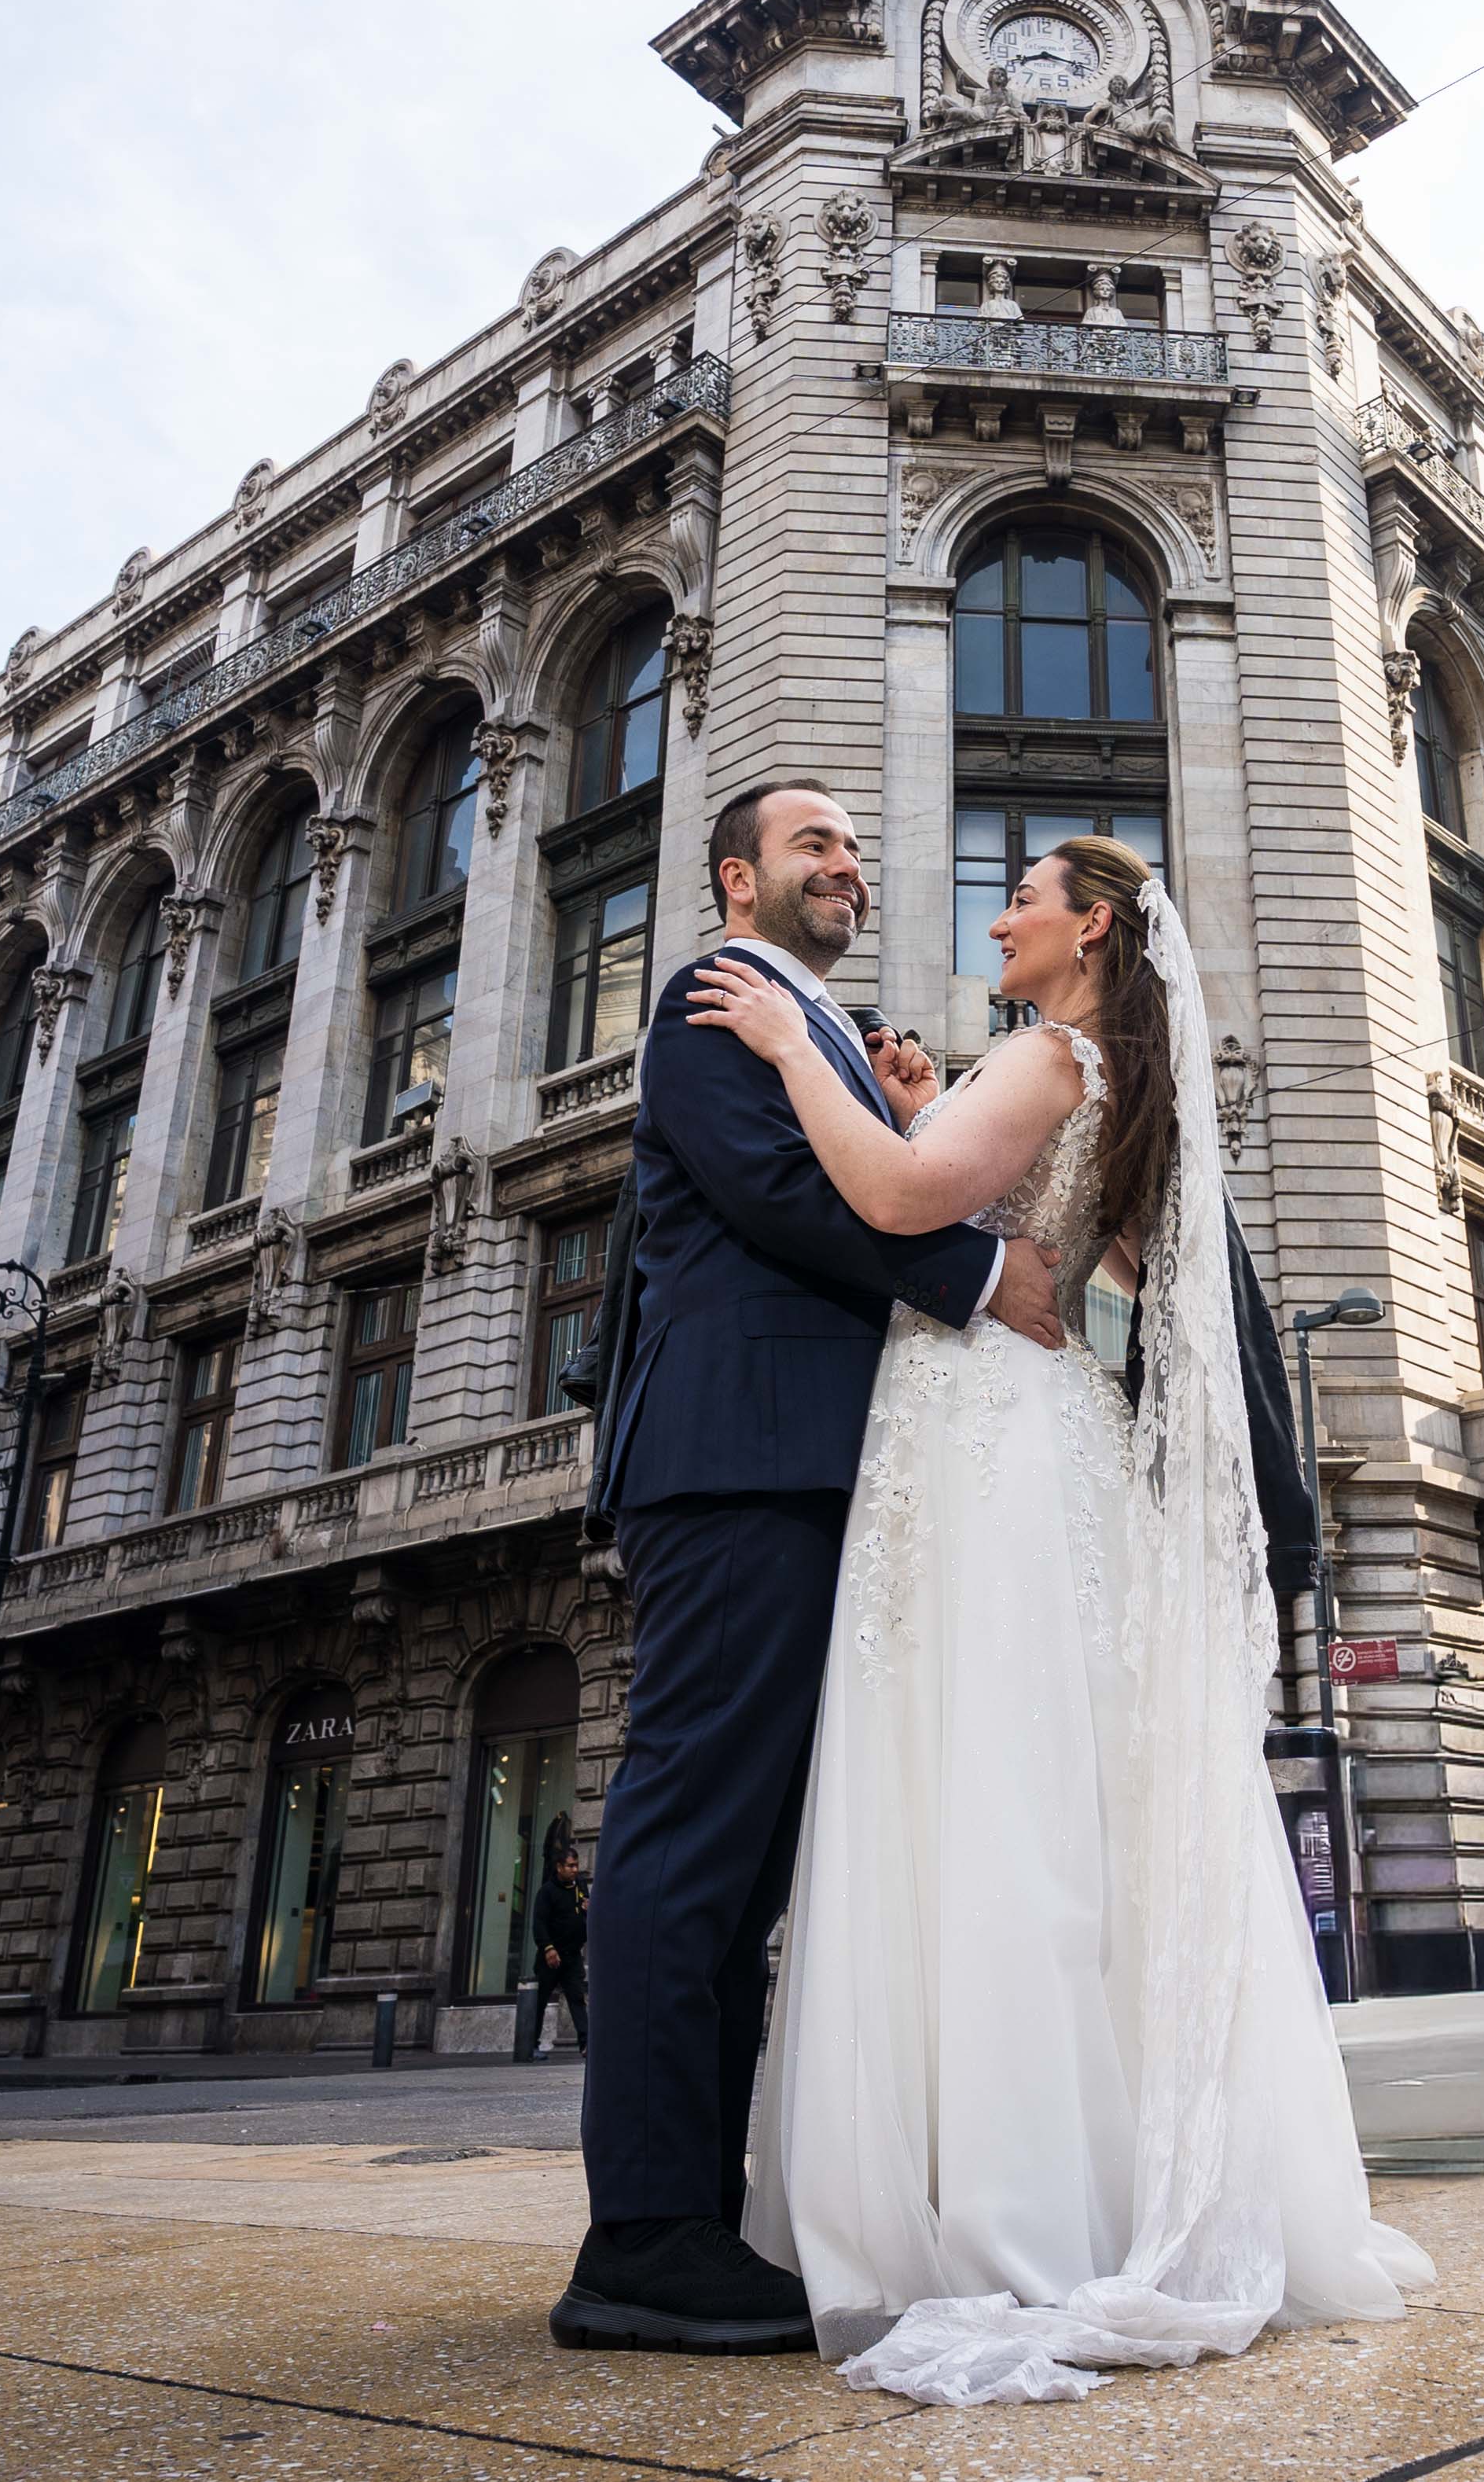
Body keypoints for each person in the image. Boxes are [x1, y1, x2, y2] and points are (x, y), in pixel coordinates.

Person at [692, 832, 1432, 2404]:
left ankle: (1014, 2200)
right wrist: (912, 1100)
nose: (1001, 910)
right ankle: (1075, 2173)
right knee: (1044, 1793)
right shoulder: (1097, 1073)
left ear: (1089, 928)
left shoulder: (1045, 1054)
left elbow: (899, 1198)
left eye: (1024, 892)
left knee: (983, 1798)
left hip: (994, 1454)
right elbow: (1025, 1218)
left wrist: (787, 1053)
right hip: (1040, 1444)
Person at [554, 779, 1070, 2357]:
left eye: (854, 846)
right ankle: (644, 2234)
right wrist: (986, 1272)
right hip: (738, 1460)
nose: (846, 864)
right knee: (692, 1835)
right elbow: (783, 1202)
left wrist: (905, 1117)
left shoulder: (812, 1022)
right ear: (736, 881)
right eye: (811, 845)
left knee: (750, 1862)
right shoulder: (720, 1005)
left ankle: (693, 2222)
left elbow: (843, 1176)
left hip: (802, 1461)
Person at [534, 1822, 590, 2052]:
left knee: (577, 1999)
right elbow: (539, 1922)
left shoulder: (580, 1885)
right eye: (570, 1866)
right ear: (559, 1867)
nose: (575, 1870)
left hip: (572, 1955)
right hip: (551, 1956)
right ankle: (531, 2044)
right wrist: (548, 1948)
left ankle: (586, 2043)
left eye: (576, 1866)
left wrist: (589, 1908)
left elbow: (584, 1911)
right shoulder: (547, 1892)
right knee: (539, 2001)